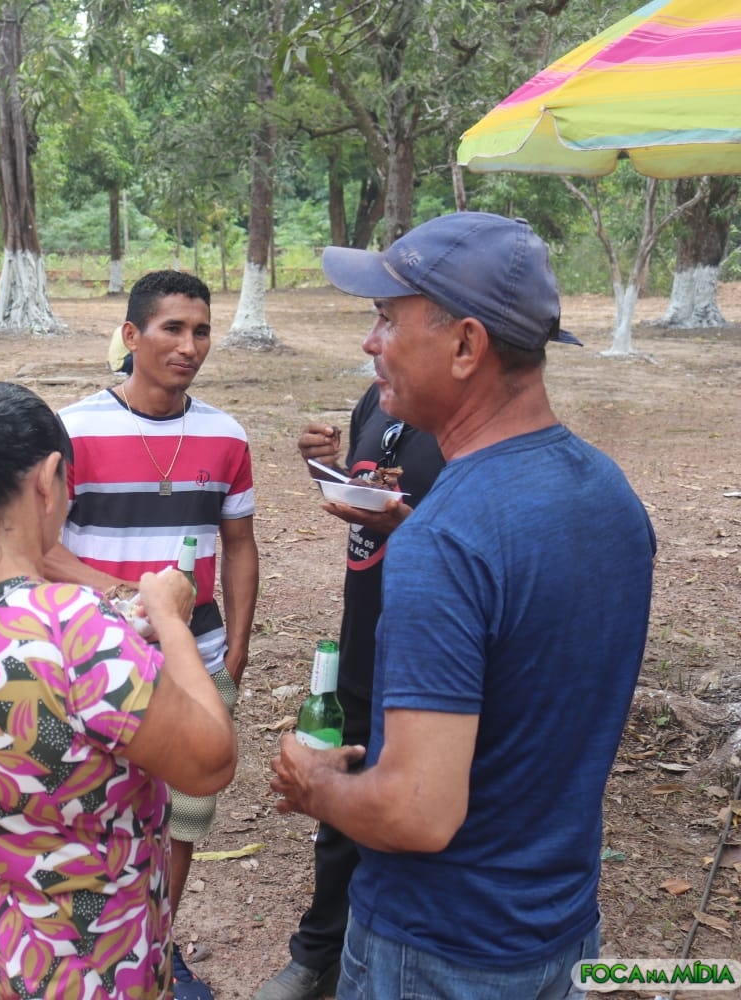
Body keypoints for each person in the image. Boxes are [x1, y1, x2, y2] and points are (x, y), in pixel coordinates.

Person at [270, 212, 656, 999]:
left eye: (388, 318)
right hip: (561, 929)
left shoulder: (444, 539)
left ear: (466, 346)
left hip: (439, 948)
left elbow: (417, 813)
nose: (370, 343)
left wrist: (315, 786)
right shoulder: (610, 495)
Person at [0, 382, 238, 999]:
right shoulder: (75, 633)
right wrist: (170, 619)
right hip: (84, 967)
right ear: (48, 478)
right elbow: (211, 760)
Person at [45, 270, 259, 1000]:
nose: (189, 346)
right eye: (172, 328)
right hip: (97, 662)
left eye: (201, 331)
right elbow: (40, 545)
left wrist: (236, 647)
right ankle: (87, 950)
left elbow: (240, 544)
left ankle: (157, 947)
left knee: (185, 815)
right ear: (131, 335)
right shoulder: (72, 431)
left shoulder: (226, 436)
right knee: (93, 808)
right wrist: (124, 598)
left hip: (197, 656)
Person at [254, 386, 444, 1000]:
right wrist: (326, 468)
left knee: (416, 806)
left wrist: (406, 526)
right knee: (339, 810)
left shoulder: (466, 427)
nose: (374, 344)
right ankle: (318, 956)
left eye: (391, 335)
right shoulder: (380, 400)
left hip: (433, 659)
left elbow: (468, 549)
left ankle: (395, 962)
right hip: (364, 637)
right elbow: (366, 493)